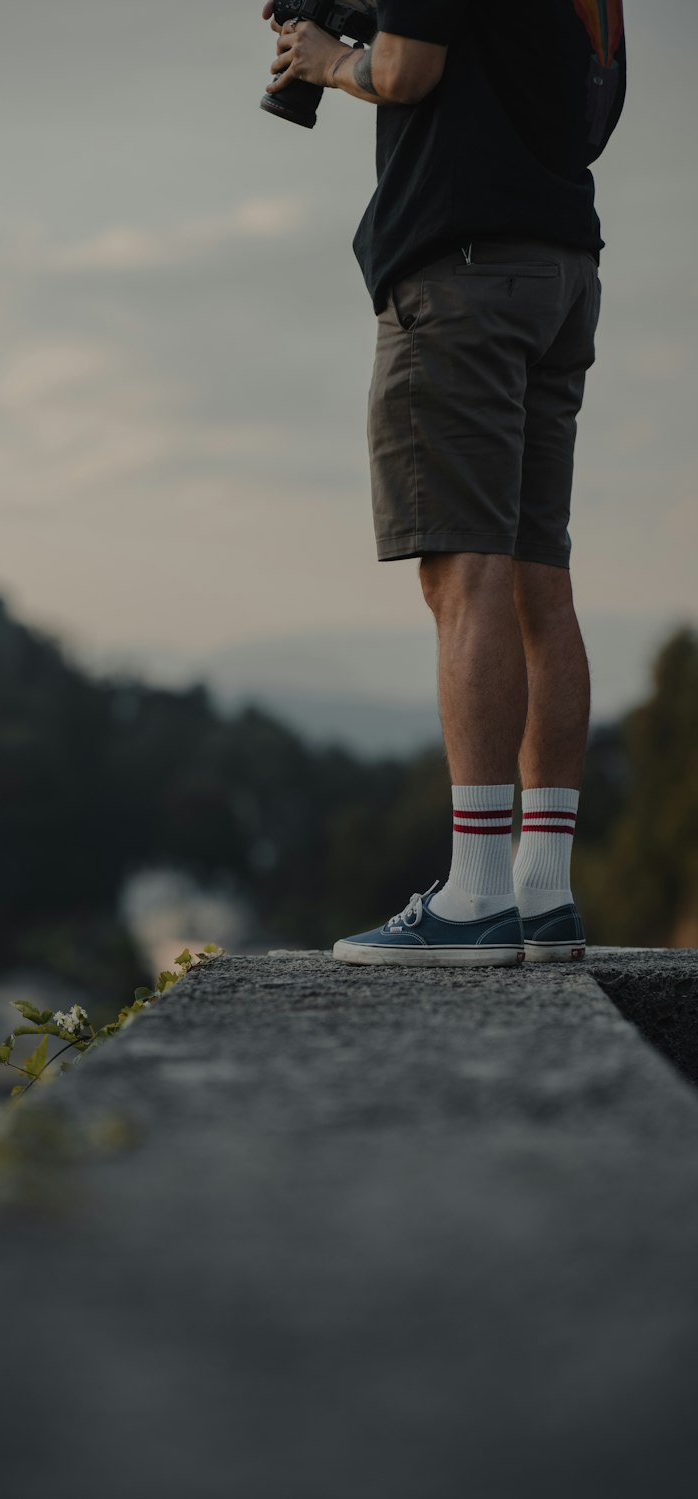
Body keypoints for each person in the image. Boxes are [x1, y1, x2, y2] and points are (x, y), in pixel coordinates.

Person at [262, 0, 627, 967]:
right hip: (560, 268)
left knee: (464, 577)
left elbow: (413, 70)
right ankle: (540, 891)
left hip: (462, 274)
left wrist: (334, 57)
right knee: (538, 581)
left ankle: (476, 896)